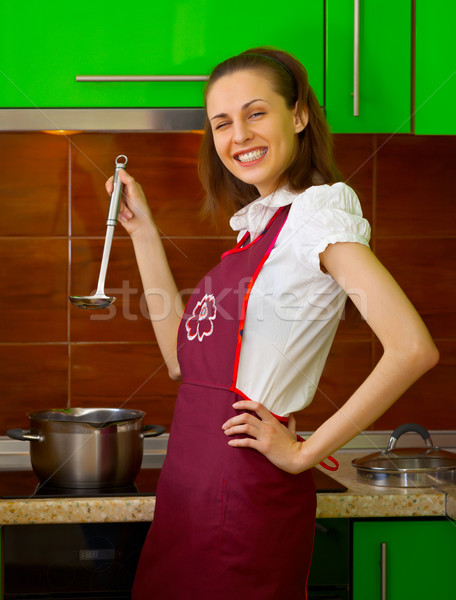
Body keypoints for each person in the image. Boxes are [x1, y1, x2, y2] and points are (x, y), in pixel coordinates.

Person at [106, 47, 439, 600]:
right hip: (187, 490)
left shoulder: (318, 217)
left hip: (243, 495)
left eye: (256, 113)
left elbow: (411, 348)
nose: (239, 135)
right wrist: (143, 233)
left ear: (300, 115)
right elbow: (180, 364)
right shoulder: (257, 232)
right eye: (222, 123)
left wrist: (304, 452)